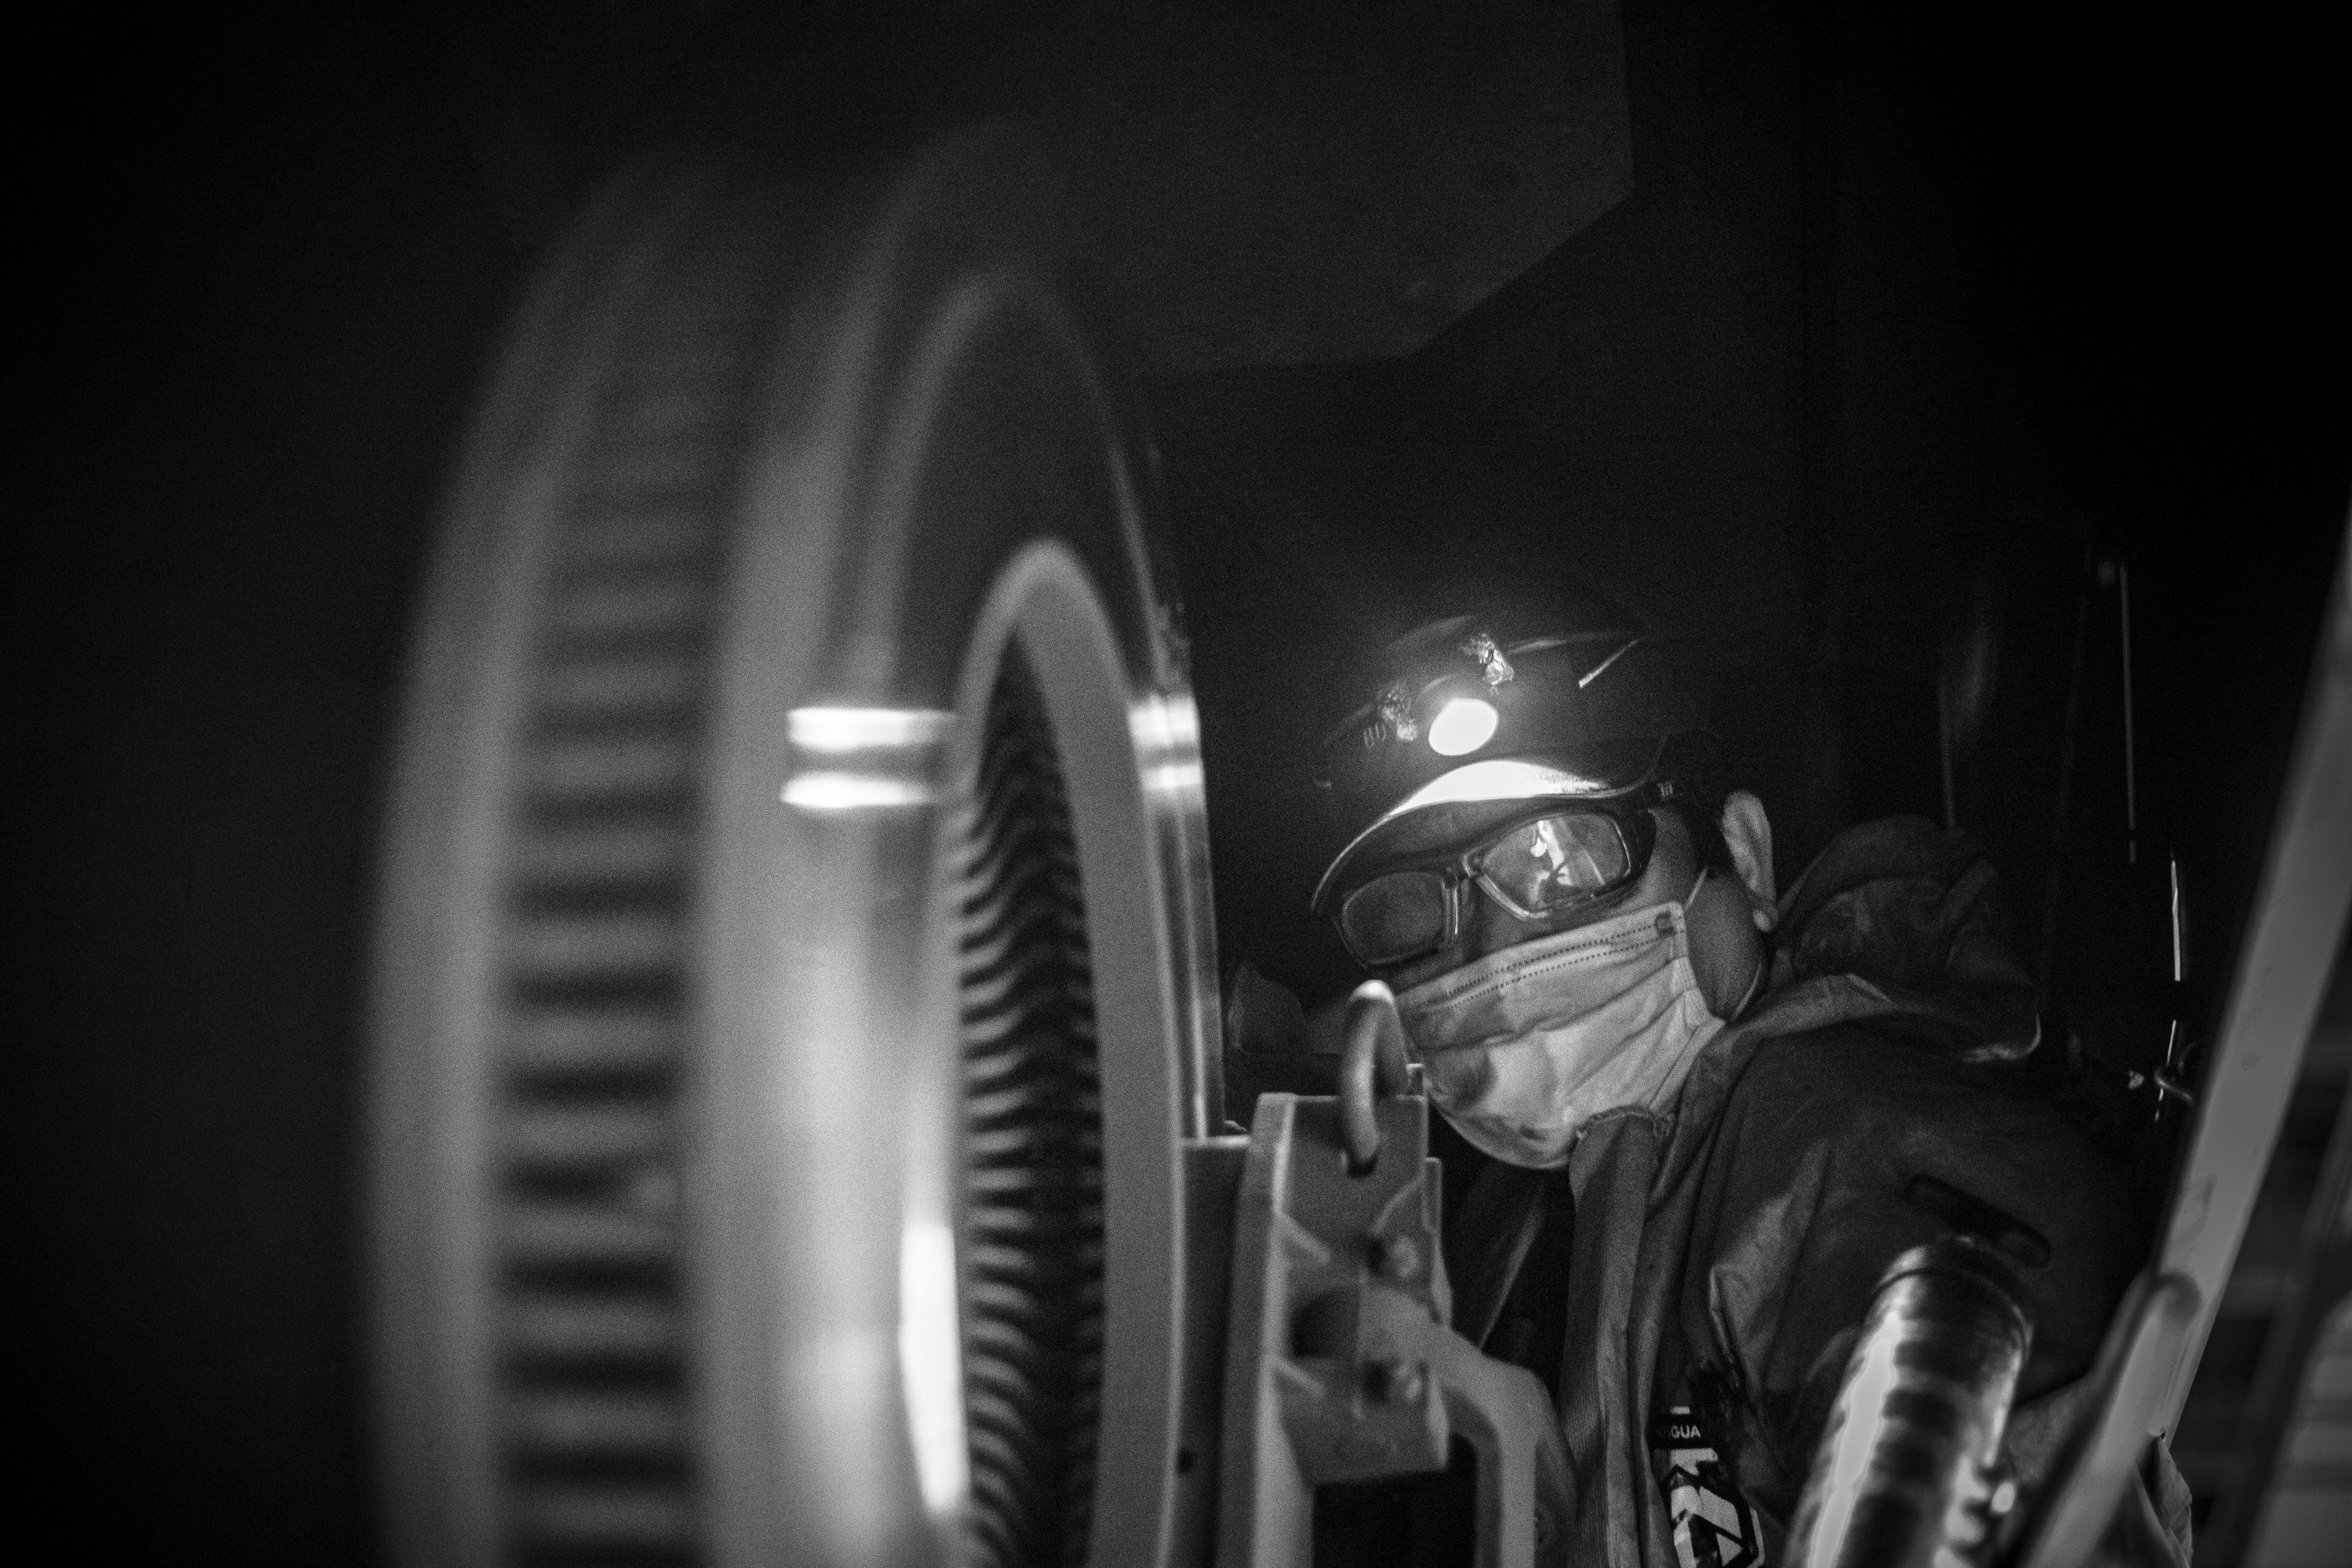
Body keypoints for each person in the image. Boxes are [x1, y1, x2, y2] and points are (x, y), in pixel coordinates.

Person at [1240, 607, 2193, 1567]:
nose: (1496, 955)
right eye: (1411, 909)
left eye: (1563, 860)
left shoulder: (1855, 1154)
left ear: (1744, 859)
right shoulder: (1521, 1209)